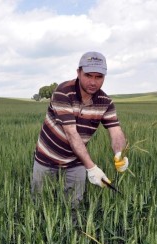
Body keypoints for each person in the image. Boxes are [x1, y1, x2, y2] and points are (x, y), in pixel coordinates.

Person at [32, 51, 129, 207]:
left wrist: (120, 153)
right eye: (88, 75)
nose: (93, 82)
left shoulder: (105, 102)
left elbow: (116, 131)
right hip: (46, 158)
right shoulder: (63, 92)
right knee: (40, 204)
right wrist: (91, 168)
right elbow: (71, 133)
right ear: (78, 72)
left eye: (99, 77)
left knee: (74, 206)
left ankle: (73, 230)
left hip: (76, 161)